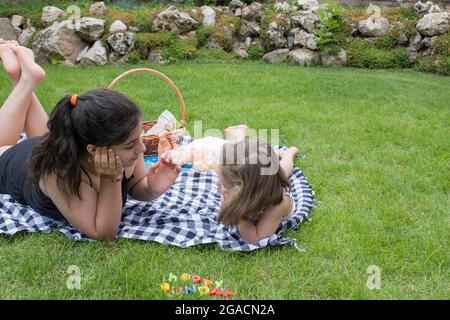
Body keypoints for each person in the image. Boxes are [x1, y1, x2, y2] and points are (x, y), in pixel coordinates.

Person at [0, 40, 180, 241]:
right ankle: (24, 81)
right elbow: (103, 232)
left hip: (46, 145)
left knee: (46, 137)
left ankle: (23, 78)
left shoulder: (125, 149)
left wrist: (152, 188)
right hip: (11, 161)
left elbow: (136, 185)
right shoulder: (59, 175)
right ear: (94, 150)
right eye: (131, 144)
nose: (142, 147)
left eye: (138, 138)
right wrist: (110, 179)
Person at [163, 124, 299, 244]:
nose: (217, 184)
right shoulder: (247, 186)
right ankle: (238, 135)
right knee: (245, 160)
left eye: (226, 183)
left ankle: (288, 154)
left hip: (267, 188)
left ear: (246, 190)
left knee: (283, 168)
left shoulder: (279, 204)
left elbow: (254, 237)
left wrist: (235, 211)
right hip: (259, 182)